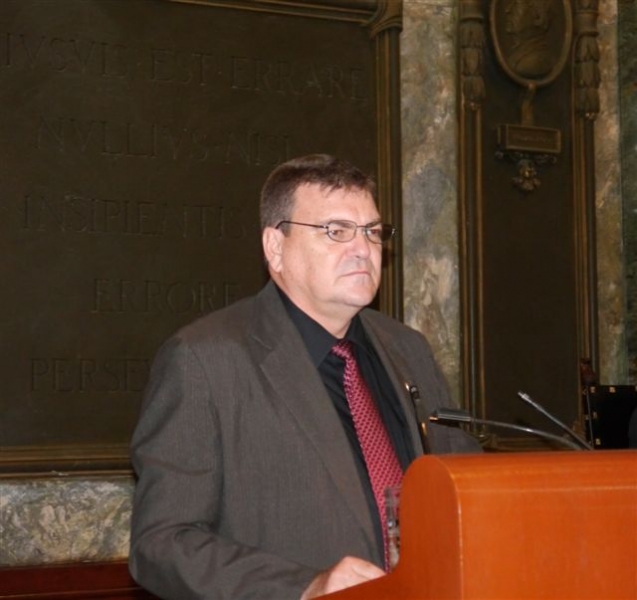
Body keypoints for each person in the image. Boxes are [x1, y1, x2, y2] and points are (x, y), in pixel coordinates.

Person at [128, 154, 481, 600]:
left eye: (372, 232)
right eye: (336, 231)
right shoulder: (204, 360)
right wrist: (306, 586)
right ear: (276, 248)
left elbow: (466, 486)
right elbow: (161, 543)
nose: (363, 249)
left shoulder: (407, 348)